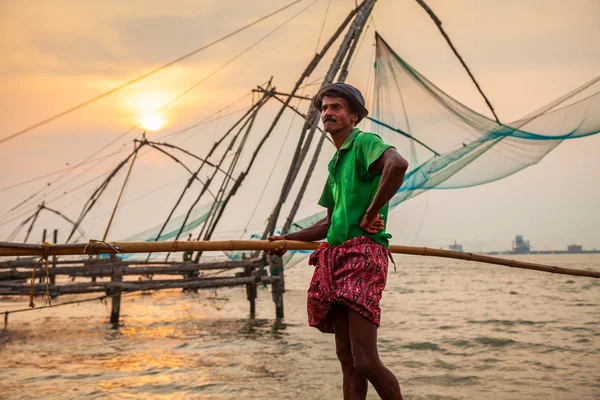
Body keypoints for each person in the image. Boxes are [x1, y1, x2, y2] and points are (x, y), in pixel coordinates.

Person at [268, 83, 409, 399]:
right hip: (337, 258)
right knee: (348, 361)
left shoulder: (364, 143)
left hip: (362, 255)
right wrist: (285, 240)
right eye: (324, 109)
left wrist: (372, 211)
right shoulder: (335, 165)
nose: (328, 113)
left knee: (367, 361)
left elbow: (397, 165)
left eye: (336, 108)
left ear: (354, 116)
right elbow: (329, 224)